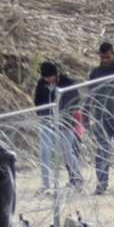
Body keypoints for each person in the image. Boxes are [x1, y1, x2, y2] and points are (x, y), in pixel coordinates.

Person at [87, 41, 114, 194]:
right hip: (101, 117)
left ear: (113, 54)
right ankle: (101, 183)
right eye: (102, 57)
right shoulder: (95, 73)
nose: (105, 60)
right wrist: (86, 113)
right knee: (102, 150)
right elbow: (90, 94)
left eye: (107, 57)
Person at [33, 60, 82, 189]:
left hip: (64, 122)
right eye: (45, 77)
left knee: (67, 152)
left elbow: (76, 101)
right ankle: (46, 184)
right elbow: (37, 102)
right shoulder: (41, 84)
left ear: (56, 74)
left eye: (50, 77)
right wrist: (46, 113)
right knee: (45, 151)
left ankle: (77, 178)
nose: (48, 80)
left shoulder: (67, 83)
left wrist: (62, 113)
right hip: (47, 122)